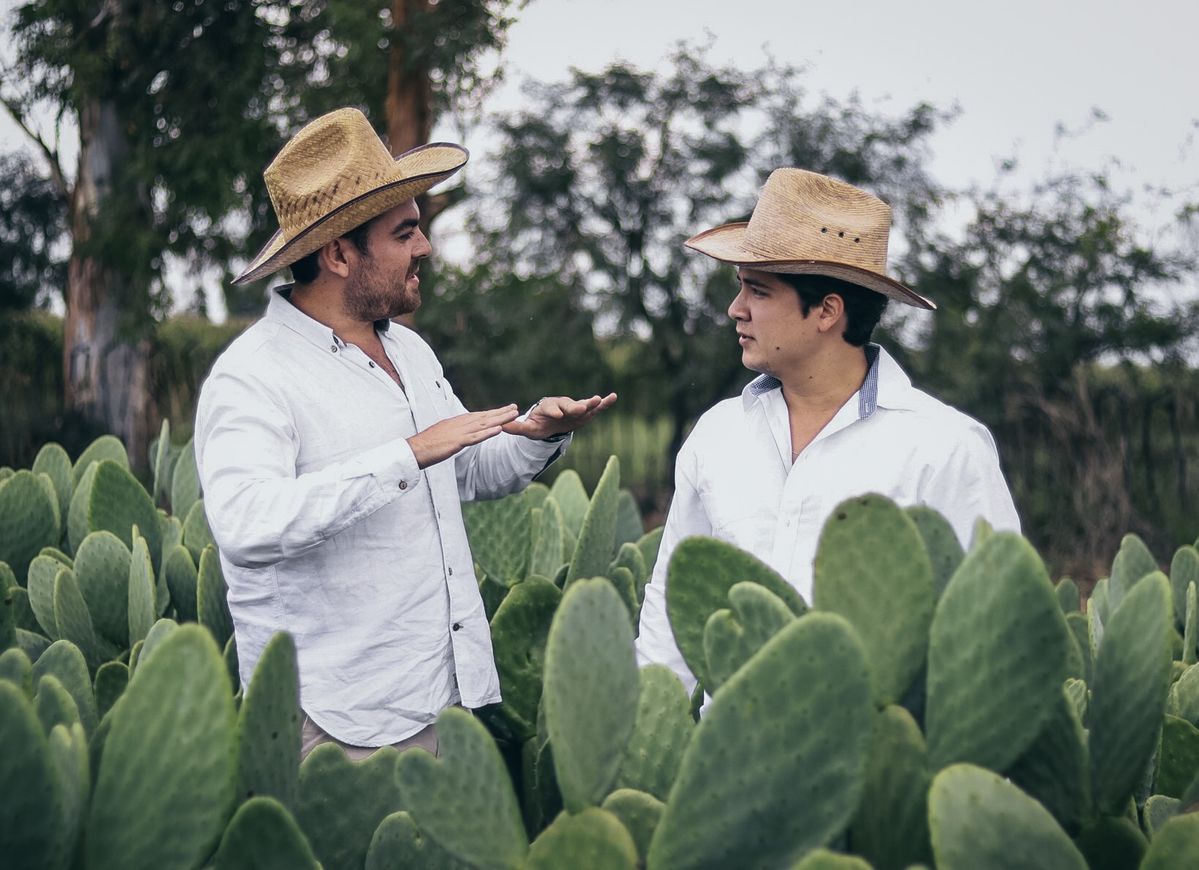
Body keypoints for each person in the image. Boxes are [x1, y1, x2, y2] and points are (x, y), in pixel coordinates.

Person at [194, 107, 616, 758]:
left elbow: (467, 471)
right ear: (338, 253)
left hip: (444, 696)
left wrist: (534, 434)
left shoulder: (410, 352)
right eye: (406, 232)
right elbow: (247, 526)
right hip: (333, 721)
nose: (424, 248)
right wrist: (407, 454)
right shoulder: (252, 377)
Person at [635, 168, 1019, 692]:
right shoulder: (716, 435)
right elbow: (669, 610)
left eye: (758, 291)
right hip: (731, 758)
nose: (736, 309)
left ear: (826, 311)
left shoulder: (946, 449)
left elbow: (994, 627)